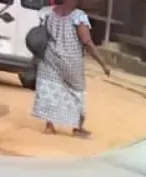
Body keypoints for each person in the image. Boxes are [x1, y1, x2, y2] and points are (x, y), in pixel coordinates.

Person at [32, 0, 110, 139]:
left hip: (50, 58)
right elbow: (87, 42)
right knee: (77, 92)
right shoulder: (78, 16)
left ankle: (49, 126)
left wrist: (36, 57)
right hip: (71, 61)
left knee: (51, 90)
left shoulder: (48, 13)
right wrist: (103, 63)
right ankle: (79, 128)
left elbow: (41, 36)